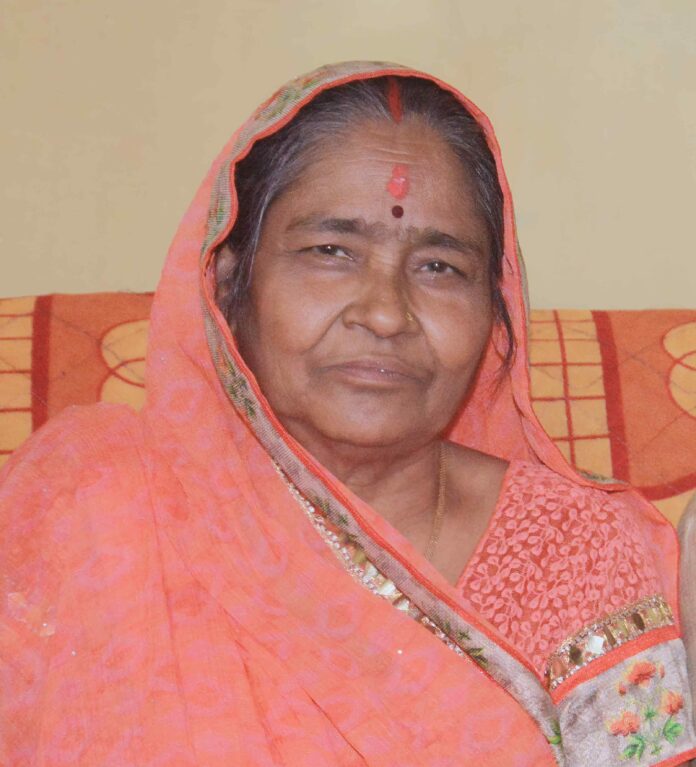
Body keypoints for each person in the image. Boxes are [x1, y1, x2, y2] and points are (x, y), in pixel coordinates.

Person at [1, 61, 694, 766]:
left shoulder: (572, 548)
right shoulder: (96, 506)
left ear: (495, 309)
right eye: (331, 252)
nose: (386, 313)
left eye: (439, 267)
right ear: (229, 282)